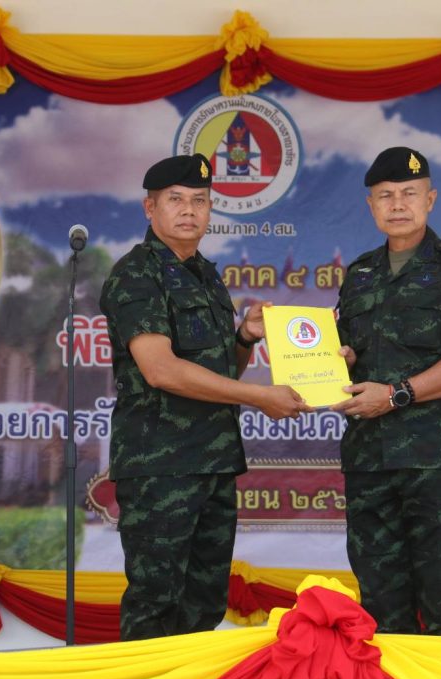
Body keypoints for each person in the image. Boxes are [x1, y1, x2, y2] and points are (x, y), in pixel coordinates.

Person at [100, 153, 311, 641]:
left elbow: (219, 371)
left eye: (199, 201)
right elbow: (160, 370)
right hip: (161, 467)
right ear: (150, 208)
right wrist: (259, 397)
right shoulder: (137, 273)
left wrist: (245, 338)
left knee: (203, 605)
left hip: (213, 462)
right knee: (155, 605)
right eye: (175, 200)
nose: (189, 210)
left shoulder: (206, 276)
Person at [331, 146, 441, 636]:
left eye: (409, 193)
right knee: (381, 614)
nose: (398, 204)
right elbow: (350, 354)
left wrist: (395, 394)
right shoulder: (359, 274)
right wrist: (337, 361)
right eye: (385, 195)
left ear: (431, 199)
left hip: (436, 465)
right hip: (369, 464)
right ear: (371, 206)